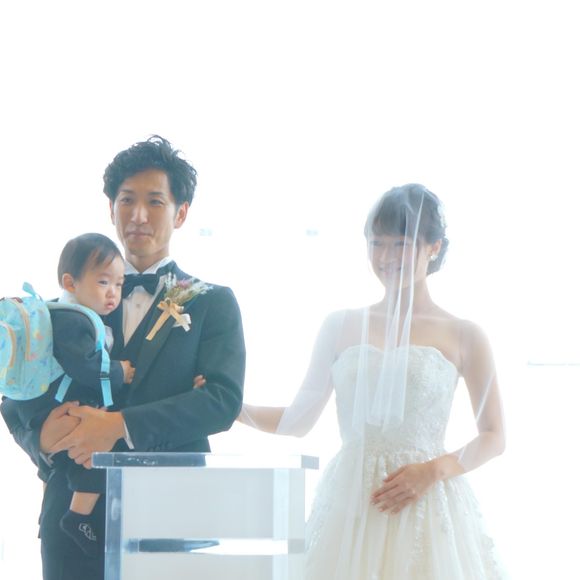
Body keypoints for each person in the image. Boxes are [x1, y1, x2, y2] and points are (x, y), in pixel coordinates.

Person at [1, 135, 246, 580]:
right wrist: (40, 438)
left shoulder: (213, 302)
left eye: (155, 201)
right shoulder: (65, 306)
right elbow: (17, 390)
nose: (138, 215)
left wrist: (119, 426)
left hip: (171, 512)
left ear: (181, 213)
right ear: (110, 208)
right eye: (127, 200)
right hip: (71, 519)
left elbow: (221, 401)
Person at [239, 184, 506, 579]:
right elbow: (298, 420)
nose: (385, 257)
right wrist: (231, 407)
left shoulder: (465, 334)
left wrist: (431, 471)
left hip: (427, 503)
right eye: (376, 243)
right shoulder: (339, 325)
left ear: (434, 247)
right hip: (350, 505)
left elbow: (494, 436)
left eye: (401, 245)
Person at [7, 233, 135, 558]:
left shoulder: (74, 313)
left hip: (141, 501)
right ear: (70, 282)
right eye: (104, 282)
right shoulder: (70, 318)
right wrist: (119, 372)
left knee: (86, 457)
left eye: (118, 284)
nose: (113, 292)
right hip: (63, 409)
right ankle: (78, 517)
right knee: (90, 456)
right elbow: (86, 365)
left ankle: (75, 516)